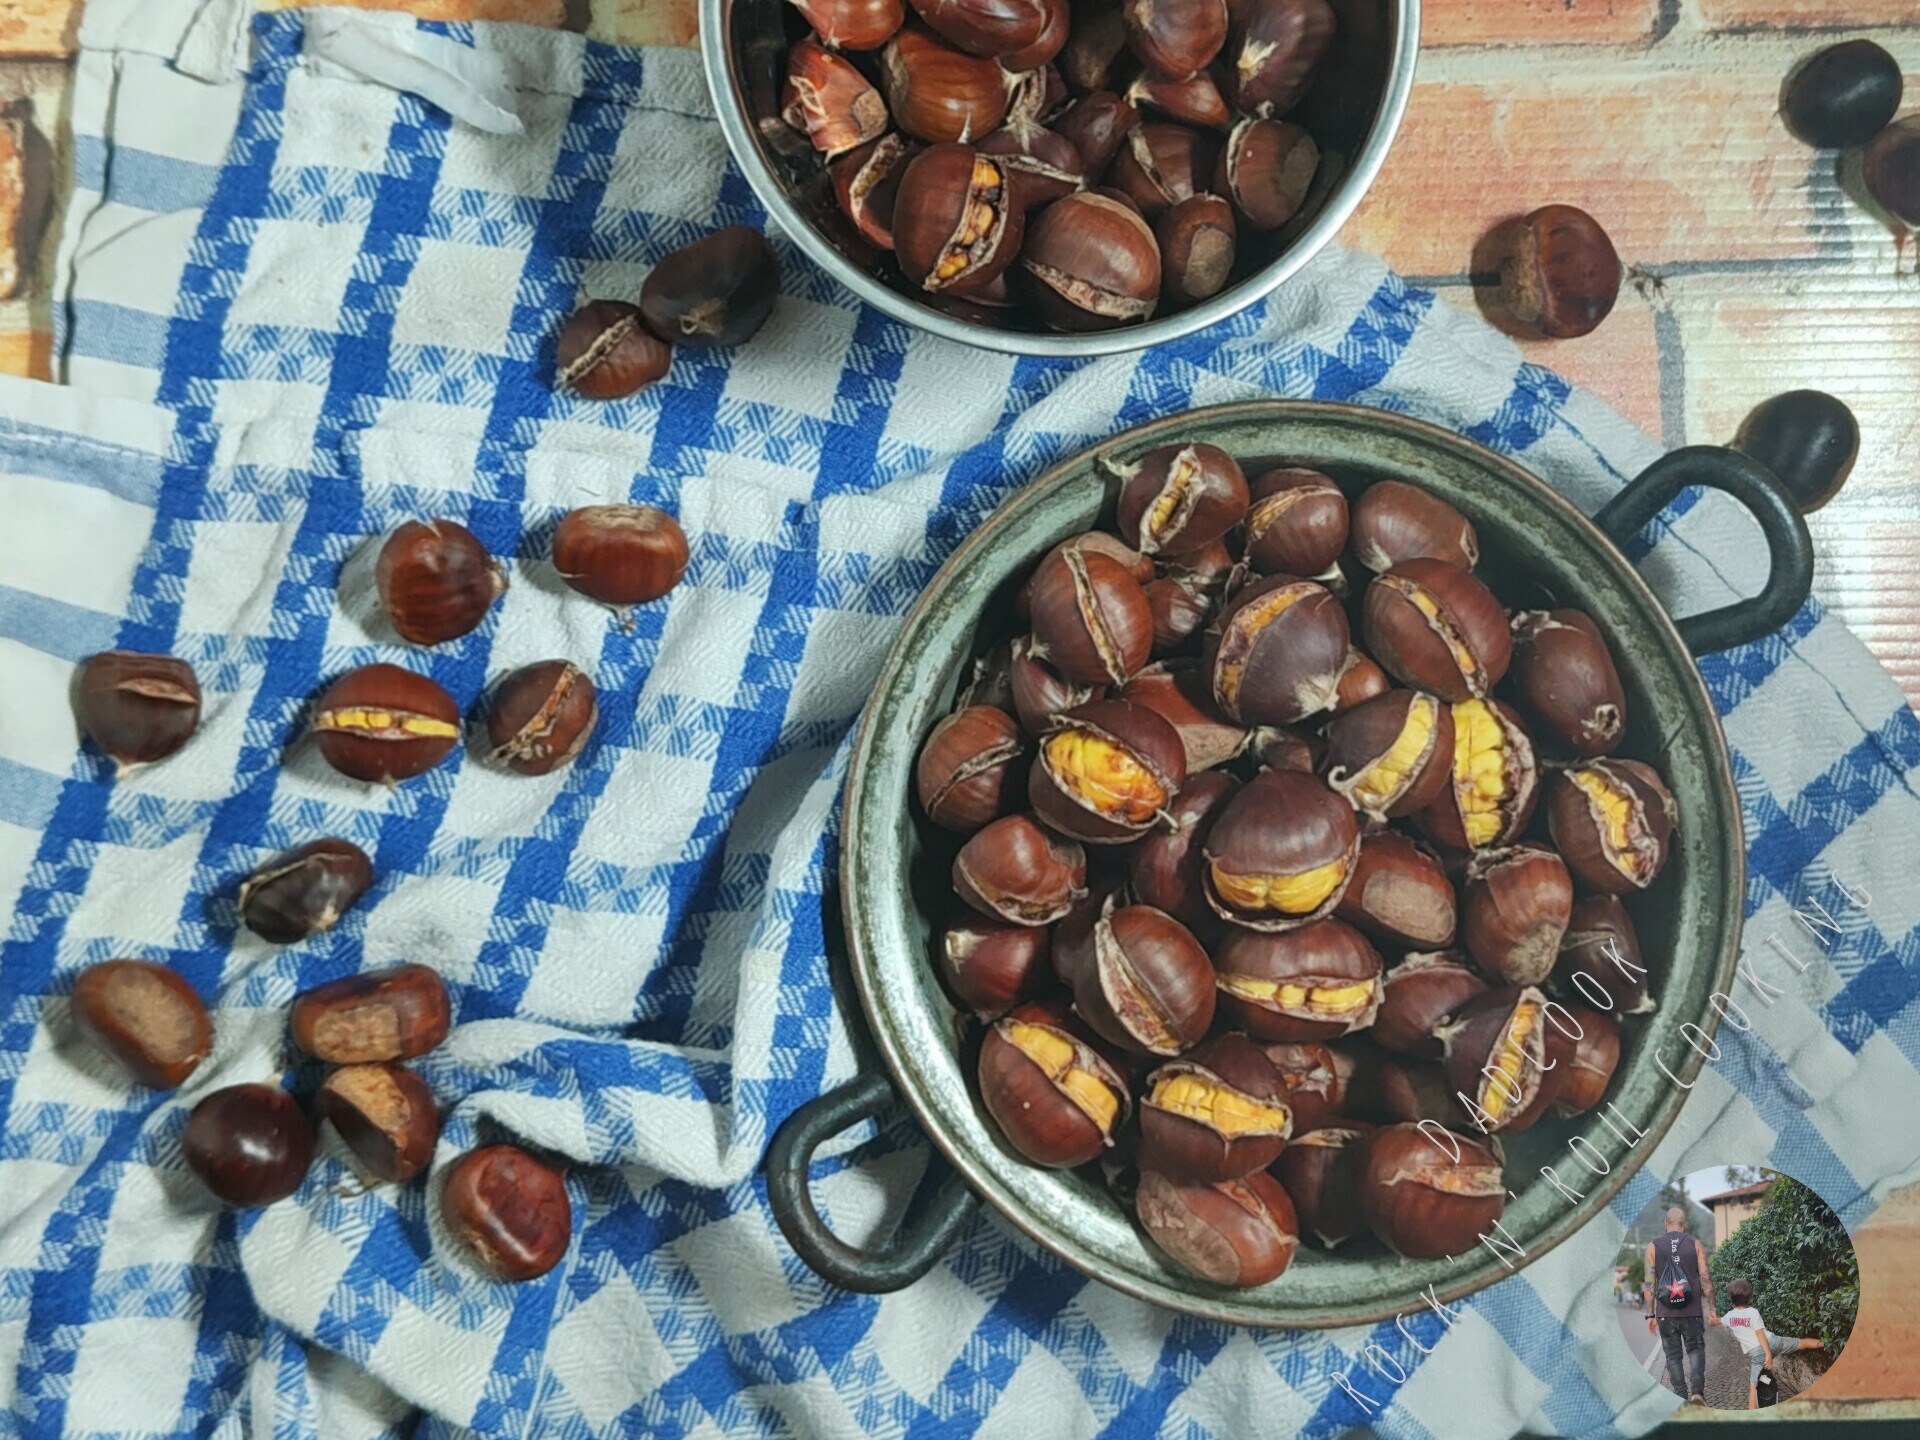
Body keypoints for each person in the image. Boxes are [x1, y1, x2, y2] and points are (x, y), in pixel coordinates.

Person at [1644, 1208, 1717, 1404]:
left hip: (1666, 1314)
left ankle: (1681, 1397)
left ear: (1665, 1224)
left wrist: (1650, 1315)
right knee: (1695, 1350)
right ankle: (1697, 1393)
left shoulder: (1652, 1247)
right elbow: (1705, 1279)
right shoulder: (1694, 1243)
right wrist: (1712, 1308)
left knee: (1673, 1356)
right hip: (1692, 1311)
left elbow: (1649, 1285)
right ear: (1684, 1225)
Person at [1721, 1279, 1825, 1409]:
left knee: (1754, 1385)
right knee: (1801, 1343)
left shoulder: (1729, 1316)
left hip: (1759, 1352)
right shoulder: (1753, 1312)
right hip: (1774, 1341)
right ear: (1749, 1297)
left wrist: (1768, 1355)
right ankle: (1828, 1344)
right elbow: (1761, 1333)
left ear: (1731, 1298)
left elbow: (1759, 1334)